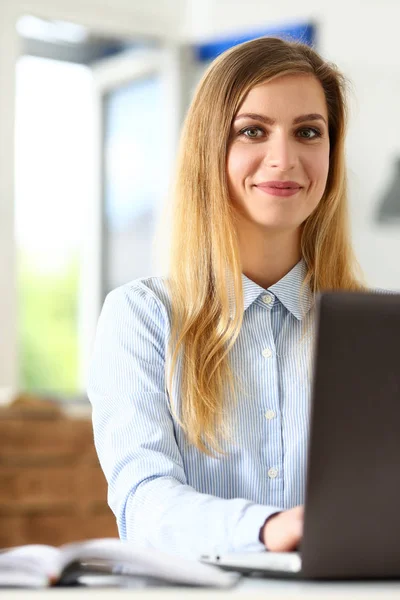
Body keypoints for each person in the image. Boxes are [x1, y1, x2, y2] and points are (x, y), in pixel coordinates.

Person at [87, 36, 365, 559]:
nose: (283, 159)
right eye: (252, 131)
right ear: (209, 148)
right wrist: (267, 528)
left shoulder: (374, 331)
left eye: (308, 132)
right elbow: (143, 503)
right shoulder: (141, 317)